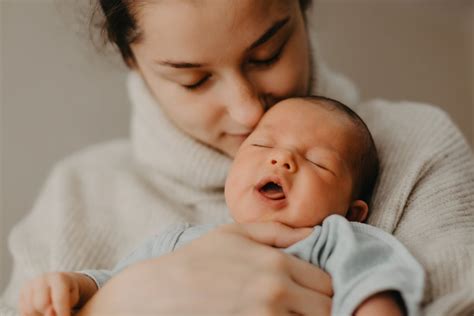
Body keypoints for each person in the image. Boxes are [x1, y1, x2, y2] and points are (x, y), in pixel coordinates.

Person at [1, 1, 473, 315]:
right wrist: (122, 303)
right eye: (194, 80)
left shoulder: (414, 147)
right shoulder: (77, 194)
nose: (248, 111)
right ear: (133, 60)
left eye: (266, 54)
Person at [18, 96, 424, 316]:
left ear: (352, 211)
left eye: (317, 161)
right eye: (263, 145)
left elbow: (375, 282)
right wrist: (77, 287)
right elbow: (119, 284)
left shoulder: (335, 240)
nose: (281, 160)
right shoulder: (179, 243)